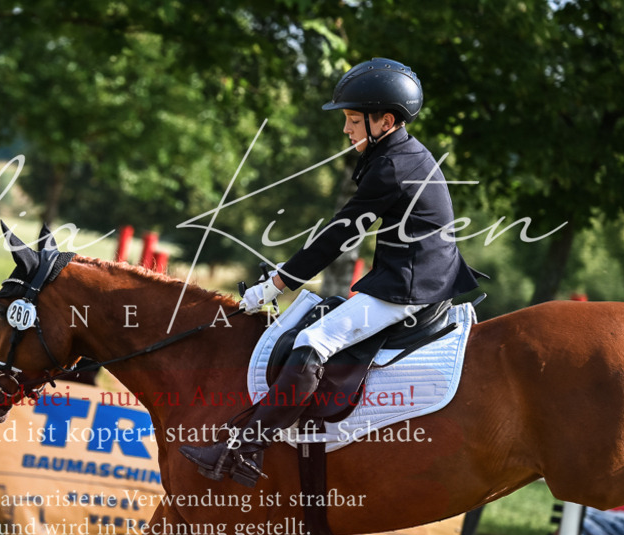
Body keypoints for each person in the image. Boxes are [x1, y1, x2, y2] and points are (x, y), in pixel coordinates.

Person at [180, 58, 484, 486]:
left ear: (387, 121)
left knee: (313, 340)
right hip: (412, 274)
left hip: (412, 285)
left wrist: (276, 285)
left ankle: (243, 449)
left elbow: (337, 238)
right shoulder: (400, 154)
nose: (346, 129)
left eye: (354, 120)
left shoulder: (393, 167)